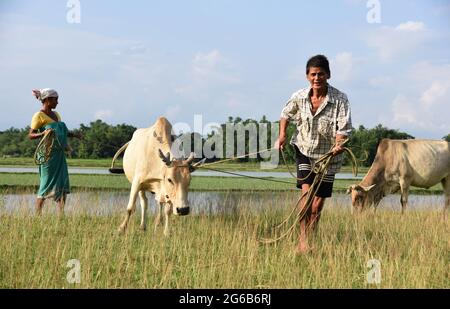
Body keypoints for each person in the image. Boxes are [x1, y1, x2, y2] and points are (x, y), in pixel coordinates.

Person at [275, 55, 352, 254]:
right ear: (307, 76)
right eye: (313, 74)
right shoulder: (299, 96)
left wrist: (338, 144)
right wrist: (282, 135)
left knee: (317, 206)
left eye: (321, 74)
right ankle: (302, 243)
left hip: (329, 157)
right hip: (304, 150)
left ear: (328, 75)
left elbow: (344, 128)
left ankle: (311, 239)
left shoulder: (340, 99)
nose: (317, 78)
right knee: (306, 199)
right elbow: (285, 114)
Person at [28, 88, 81, 215]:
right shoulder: (38, 115)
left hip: (59, 154)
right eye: (55, 99)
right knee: (45, 184)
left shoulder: (56, 114)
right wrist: (43, 133)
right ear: (47, 100)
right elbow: (30, 135)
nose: (57, 102)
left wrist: (75, 135)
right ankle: (38, 215)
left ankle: (61, 214)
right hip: (47, 155)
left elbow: (62, 131)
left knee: (61, 183)